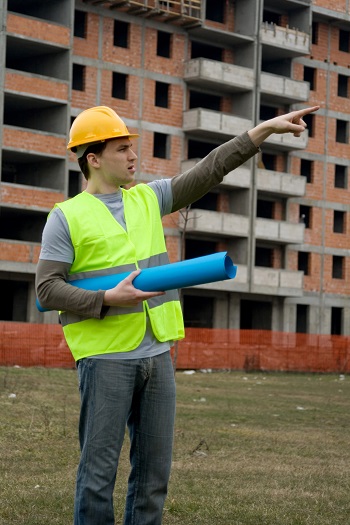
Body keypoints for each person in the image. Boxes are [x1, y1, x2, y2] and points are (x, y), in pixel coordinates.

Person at [35, 104, 319, 525]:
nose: (133, 156)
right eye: (121, 149)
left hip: (158, 356)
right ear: (92, 159)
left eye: (132, 147)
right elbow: (46, 288)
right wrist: (108, 299)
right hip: (106, 358)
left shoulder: (150, 197)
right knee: (98, 474)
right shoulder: (66, 217)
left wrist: (261, 131)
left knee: (154, 477)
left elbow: (209, 170)